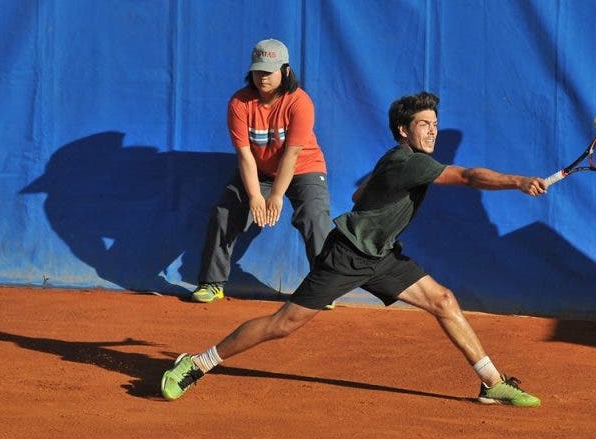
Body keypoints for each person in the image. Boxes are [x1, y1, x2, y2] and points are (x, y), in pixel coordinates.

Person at [162, 92, 546, 407]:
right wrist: (519, 181)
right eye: (423, 124)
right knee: (284, 324)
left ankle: (491, 382)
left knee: (443, 300)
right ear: (403, 130)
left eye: (434, 124)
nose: (432, 131)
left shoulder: (398, 160)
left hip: (380, 254)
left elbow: (358, 193)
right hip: (348, 255)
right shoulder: (409, 162)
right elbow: (467, 176)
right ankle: (197, 363)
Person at [191, 38, 334, 307]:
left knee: (315, 217)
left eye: (268, 71)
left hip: (304, 168)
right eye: (258, 70)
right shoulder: (239, 103)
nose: (262, 77)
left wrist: (277, 195)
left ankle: (325, 288)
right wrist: (256, 195)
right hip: (258, 171)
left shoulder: (300, 103)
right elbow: (244, 156)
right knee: (224, 212)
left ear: (286, 71)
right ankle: (212, 282)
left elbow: (291, 156)